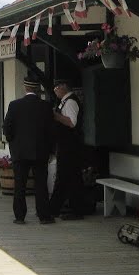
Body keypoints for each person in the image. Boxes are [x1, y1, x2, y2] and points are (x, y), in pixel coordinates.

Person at [2, 74, 55, 225]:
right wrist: (51, 150)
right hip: (40, 151)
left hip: (20, 151)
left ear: (25, 87)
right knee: (40, 184)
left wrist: (13, 143)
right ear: (38, 88)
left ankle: (20, 216)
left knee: (20, 185)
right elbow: (51, 131)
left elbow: (7, 128)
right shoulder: (46, 106)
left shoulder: (14, 105)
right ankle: (44, 215)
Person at [50, 78, 86, 220]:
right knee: (72, 178)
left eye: (56, 87)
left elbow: (72, 122)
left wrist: (55, 116)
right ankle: (75, 208)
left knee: (64, 176)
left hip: (70, 145)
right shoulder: (64, 101)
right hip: (65, 144)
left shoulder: (70, 102)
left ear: (64, 86)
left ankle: (54, 209)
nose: (55, 90)